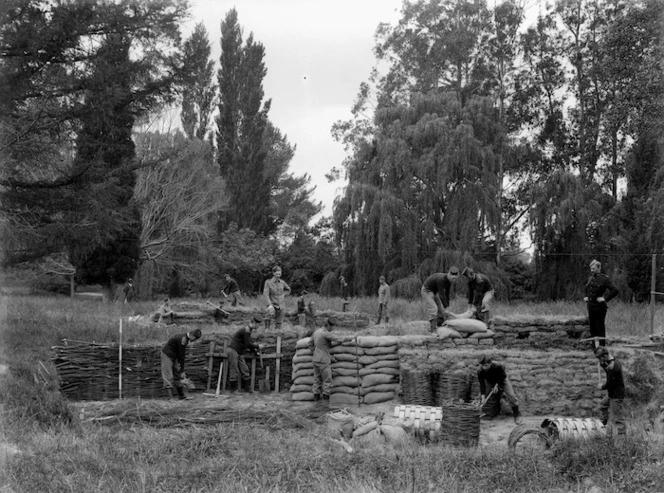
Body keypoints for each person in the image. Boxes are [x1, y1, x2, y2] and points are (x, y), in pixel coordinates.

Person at [308, 317, 351, 403]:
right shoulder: (325, 333)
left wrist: (315, 352)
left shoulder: (316, 332)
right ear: (328, 326)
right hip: (323, 360)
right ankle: (325, 403)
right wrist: (351, 337)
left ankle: (316, 401)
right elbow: (339, 339)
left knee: (317, 380)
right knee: (327, 381)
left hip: (315, 359)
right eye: (332, 327)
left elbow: (310, 343)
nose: (333, 329)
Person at [477, 354, 522, 424]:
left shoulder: (498, 366)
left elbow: (502, 377)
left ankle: (516, 415)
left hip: (502, 380)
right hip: (490, 382)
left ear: (490, 363)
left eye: (486, 365)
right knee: (483, 396)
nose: (484, 367)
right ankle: (484, 413)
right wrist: (483, 397)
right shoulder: (480, 371)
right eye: (482, 365)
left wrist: (497, 386)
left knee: (511, 395)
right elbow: (482, 384)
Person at [583, 260, 619, 346]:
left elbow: (615, 290)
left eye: (594, 268)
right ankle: (595, 346)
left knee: (600, 328)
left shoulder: (604, 279)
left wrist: (605, 299)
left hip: (600, 307)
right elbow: (586, 289)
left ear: (599, 268)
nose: (592, 270)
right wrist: (586, 296)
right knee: (592, 328)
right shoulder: (590, 278)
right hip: (591, 306)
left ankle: (602, 347)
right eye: (591, 269)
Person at [161, 328, 202, 400]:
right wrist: (182, 370)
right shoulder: (183, 339)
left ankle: (181, 396)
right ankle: (170, 398)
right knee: (168, 375)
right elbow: (181, 356)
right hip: (167, 355)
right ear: (192, 335)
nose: (194, 341)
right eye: (195, 339)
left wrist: (181, 370)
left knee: (178, 374)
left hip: (174, 355)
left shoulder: (185, 339)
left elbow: (181, 355)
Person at [595, 346, 626, 436]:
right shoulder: (610, 362)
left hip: (616, 395)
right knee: (602, 405)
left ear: (604, 356)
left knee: (617, 417)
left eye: (600, 358)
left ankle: (622, 437)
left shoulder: (614, 366)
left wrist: (602, 387)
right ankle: (603, 425)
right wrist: (602, 363)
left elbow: (610, 384)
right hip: (611, 394)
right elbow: (607, 367)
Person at [227, 315, 262, 392]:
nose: (258, 326)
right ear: (254, 323)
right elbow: (248, 344)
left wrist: (255, 353)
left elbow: (248, 344)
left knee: (245, 369)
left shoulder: (249, 331)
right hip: (233, 350)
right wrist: (258, 346)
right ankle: (233, 389)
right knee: (234, 369)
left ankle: (247, 388)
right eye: (258, 325)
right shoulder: (246, 330)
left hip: (239, 351)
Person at [421, 267, 459, 332]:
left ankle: (439, 327)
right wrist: (446, 308)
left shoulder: (449, 281)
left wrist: (447, 307)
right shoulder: (441, 280)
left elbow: (447, 294)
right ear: (449, 274)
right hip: (426, 291)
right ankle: (433, 329)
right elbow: (442, 295)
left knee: (441, 311)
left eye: (455, 279)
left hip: (434, 292)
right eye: (453, 279)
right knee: (434, 309)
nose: (454, 280)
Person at [263, 266, 291, 330]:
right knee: (269, 313)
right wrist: (269, 304)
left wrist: (284, 295)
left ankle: (277, 330)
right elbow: (266, 294)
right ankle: (266, 329)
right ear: (273, 273)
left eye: (280, 274)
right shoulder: (268, 282)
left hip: (281, 304)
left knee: (280, 319)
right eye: (277, 274)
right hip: (272, 303)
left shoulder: (282, 282)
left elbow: (288, 290)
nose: (278, 275)